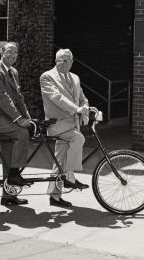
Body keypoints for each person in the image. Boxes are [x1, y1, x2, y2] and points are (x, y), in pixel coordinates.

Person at [0, 42, 32, 206]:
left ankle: (8, 195)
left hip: (6, 115)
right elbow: (2, 97)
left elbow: (18, 98)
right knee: (21, 133)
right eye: (9, 52)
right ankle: (14, 175)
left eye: (15, 53)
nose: (12, 55)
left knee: (9, 154)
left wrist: (28, 119)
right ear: (2, 52)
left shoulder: (13, 72)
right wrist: (19, 120)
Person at [40, 48, 89, 207]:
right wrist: (76, 109)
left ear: (72, 62)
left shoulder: (75, 77)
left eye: (68, 60)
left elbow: (82, 98)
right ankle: (69, 176)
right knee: (78, 138)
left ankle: (54, 197)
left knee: (59, 159)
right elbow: (57, 97)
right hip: (57, 124)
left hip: (72, 124)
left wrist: (85, 111)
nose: (64, 63)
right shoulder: (47, 77)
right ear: (56, 61)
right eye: (61, 60)